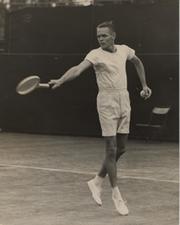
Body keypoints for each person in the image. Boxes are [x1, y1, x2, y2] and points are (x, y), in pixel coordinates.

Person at [49, 21, 152, 216]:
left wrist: (144, 85)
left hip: (124, 100)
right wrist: (61, 80)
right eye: (98, 36)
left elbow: (137, 62)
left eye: (104, 35)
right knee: (111, 149)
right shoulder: (94, 54)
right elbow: (78, 69)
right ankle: (116, 195)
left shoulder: (124, 50)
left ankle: (97, 180)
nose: (101, 39)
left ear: (113, 35)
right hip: (106, 102)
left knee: (121, 148)